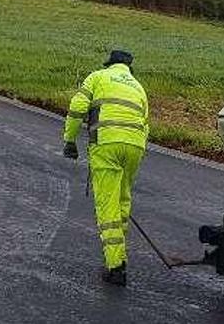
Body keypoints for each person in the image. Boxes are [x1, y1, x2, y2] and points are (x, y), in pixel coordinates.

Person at [61, 49, 150, 286]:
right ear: (129, 68)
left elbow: (78, 107)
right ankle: (119, 255)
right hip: (135, 147)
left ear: (109, 64)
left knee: (107, 204)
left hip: (107, 144)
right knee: (122, 201)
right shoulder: (138, 87)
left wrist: (69, 140)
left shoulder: (98, 77)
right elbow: (145, 123)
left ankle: (115, 267)